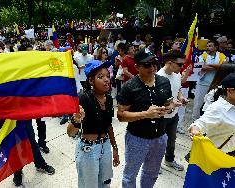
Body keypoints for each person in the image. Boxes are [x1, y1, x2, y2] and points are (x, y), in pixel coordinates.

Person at [0, 39, 55, 186]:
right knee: (11, 146)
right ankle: (17, 172)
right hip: (0, 117)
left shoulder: (13, 65)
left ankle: (40, 163)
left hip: (20, 113)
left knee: (30, 140)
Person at [117, 49, 174, 187]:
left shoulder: (164, 82)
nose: (153, 67)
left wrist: (169, 108)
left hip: (160, 137)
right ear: (137, 67)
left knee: (152, 173)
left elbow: (169, 102)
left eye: (155, 63)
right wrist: (146, 114)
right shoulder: (129, 87)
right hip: (137, 138)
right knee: (130, 175)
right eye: (147, 65)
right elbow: (121, 115)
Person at [67, 60, 120, 188]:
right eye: (101, 77)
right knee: (89, 185)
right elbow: (70, 132)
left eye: (108, 76)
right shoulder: (83, 99)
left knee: (105, 182)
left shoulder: (109, 99)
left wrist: (114, 148)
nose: (106, 80)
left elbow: (108, 125)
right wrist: (76, 120)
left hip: (105, 147)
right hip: (88, 150)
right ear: (91, 81)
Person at [189, 73, 235, 156]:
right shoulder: (218, 108)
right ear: (230, 91)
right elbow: (200, 124)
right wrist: (195, 130)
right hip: (216, 156)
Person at [157, 50, 188, 171]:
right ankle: (155, 163)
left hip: (173, 116)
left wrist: (181, 98)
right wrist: (170, 104)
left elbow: (178, 89)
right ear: (170, 63)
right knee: (158, 142)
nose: (182, 67)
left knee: (171, 140)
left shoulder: (177, 74)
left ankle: (169, 160)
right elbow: (157, 99)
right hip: (161, 116)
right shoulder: (158, 77)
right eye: (180, 64)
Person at [192, 40, 226, 121]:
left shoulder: (222, 56)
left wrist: (210, 66)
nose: (208, 48)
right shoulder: (202, 55)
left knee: (212, 104)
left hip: (215, 84)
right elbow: (202, 67)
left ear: (216, 47)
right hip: (202, 84)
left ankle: (207, 121)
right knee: (198, 104)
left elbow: (224, 67)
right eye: (207, 46)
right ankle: (195, 120)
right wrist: (217, 67)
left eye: (210, 46)